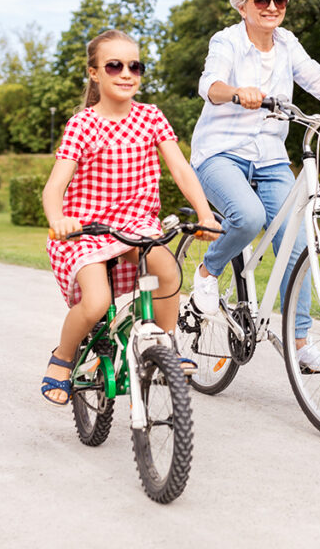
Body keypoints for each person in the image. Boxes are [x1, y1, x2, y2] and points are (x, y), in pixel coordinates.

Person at [187, 0, 320, 373]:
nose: (272, 7)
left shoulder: (287, 43)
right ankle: (208, 272)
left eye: (280, 0)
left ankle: (299, 343)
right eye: (262, 0)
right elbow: (209, 84)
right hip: (220, 153)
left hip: (271, 156)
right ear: (243, 6)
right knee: (248, 217)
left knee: (295, 242)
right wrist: (236, 92)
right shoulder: (226, 40)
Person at [40, 30, 220, 406]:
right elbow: (54, 187)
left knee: (167, 271)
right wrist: (58, 219)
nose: (126, 73)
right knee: (95, 302)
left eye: (134, 66)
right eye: (114, 65)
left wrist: (204, 213)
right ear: (95, 73)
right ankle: (62, 357)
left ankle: (167, 344)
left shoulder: (150, 117)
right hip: (86, 230)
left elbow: (181, 169)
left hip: (136, 226)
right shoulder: (82, 124)